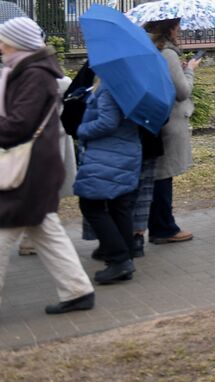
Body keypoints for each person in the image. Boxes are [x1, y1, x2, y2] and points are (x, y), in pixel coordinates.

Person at [0, 17, 94, 330]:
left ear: (18, 43)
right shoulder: (31, 71)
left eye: (3, 40)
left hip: (27, 170)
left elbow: (18, 124)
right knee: (46, 230)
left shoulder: (33, 74)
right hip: (35, 166)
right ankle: (78, 290)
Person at [73, 77, 143, 284]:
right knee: (118, 205)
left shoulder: (109, 87)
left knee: (91, 204)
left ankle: (119, 259)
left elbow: (108, 122)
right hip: (126, 150)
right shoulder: (129, 84)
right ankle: (125, 258)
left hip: (107, 154)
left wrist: (81, 129)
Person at [143, 19, 196, 247]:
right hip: (170, 120)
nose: (180, 31)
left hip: (156, 117)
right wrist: (190, 72)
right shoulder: (168, 54)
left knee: (159, 174)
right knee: (164, 174)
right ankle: (164, 227)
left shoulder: (150, 49)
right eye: (177, 27)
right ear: (170, 29)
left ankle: (158, 225)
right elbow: (182, 92)